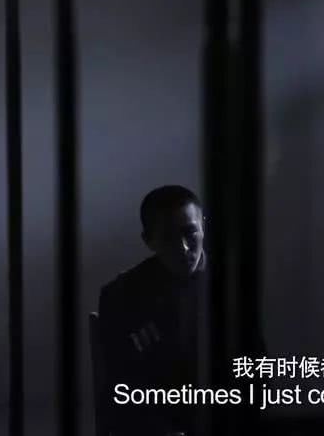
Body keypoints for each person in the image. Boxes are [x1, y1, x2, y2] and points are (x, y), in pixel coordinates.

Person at [97, 185, 262, 436]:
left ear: (203, 226)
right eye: (168, 238)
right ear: (148, 241)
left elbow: (257, 372)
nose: (183, 248)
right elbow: (120, 385)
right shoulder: (122, 296)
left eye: (190, 233)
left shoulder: (235, 286)